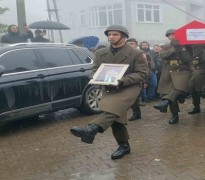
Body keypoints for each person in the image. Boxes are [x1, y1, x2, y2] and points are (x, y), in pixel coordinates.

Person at [70, 25, 149, 160]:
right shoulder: (101, 53)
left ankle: (91, 129)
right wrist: (97, 78)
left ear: (124, 37)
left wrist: (122, 80)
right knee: (115, 117)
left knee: (112, 110)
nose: (111, 37)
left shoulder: (135, 53)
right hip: (108, 87)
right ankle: (124, 145)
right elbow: (94, 70)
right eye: (109, 34)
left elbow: (142, 74)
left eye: (115, 35)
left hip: (128, 87)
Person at [153, 29, 192, 124]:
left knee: (177, 89)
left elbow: (188, 59)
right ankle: (174, 115)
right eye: (170, 35)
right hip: (169, 70)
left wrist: (182, 49)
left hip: (183, 70)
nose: (172, 36)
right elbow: (162, 56)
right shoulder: (165, 46)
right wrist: (174, 49)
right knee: (169, 93)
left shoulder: (186, 45)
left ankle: (167, 102)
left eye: (174, 34)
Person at [187, 44, 205, 114]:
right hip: (195, 70)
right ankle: (196, 107)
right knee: (193, 89)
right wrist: (192, 67)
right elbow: (190, 59)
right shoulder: (190, 48)